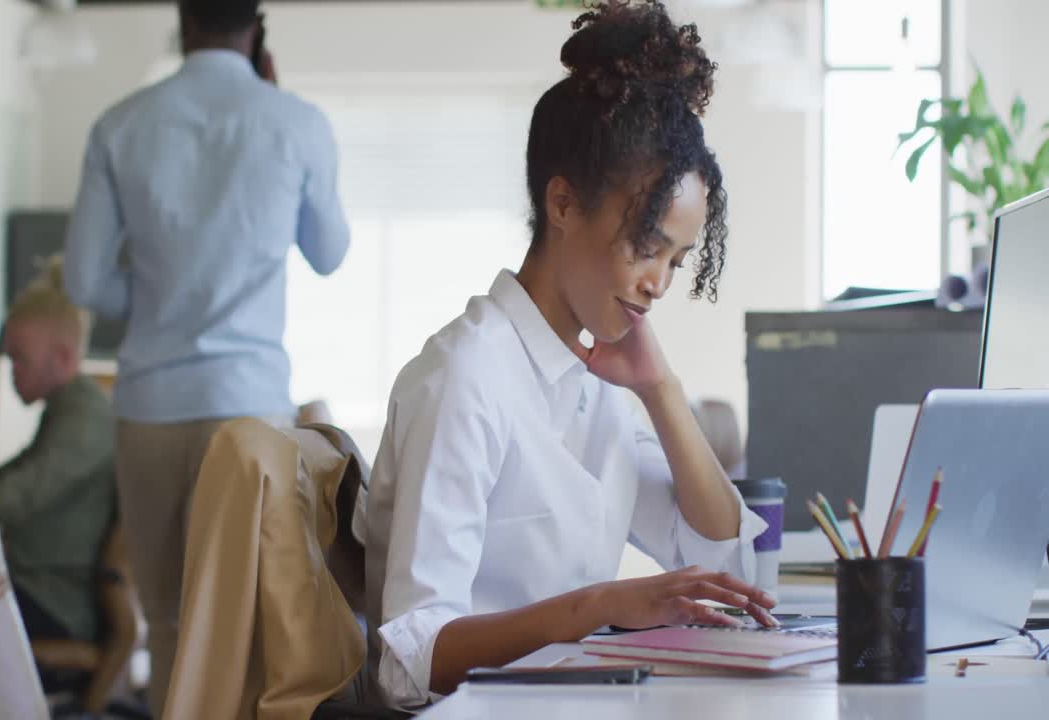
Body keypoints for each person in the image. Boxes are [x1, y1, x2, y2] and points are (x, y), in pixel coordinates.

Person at [354, 0, 777, 708]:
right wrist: (601, 606)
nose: (660, 283)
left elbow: (720, 558)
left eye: (677, 260)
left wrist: (662, 390)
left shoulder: (603, 372)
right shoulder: (463, 378)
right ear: (562, 203)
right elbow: (409, 663)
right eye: (647, 246)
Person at [61, 0, 350, 711]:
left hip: (149, 407)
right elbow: (330, 253)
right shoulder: (297, 123)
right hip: (250, 410)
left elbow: (83, 281)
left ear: (183, 21)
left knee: (164, 621)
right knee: (252, 625)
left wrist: (164, 292)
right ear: (255, 30)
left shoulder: (120, 124)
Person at [0, 260, 116, 648]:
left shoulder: (86, 418)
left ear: (62, 358)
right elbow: (22, 470)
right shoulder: (69, 408)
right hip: (35, 589)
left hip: (56, 604)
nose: (12, 372)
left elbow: (23, 493)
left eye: (20, 358)